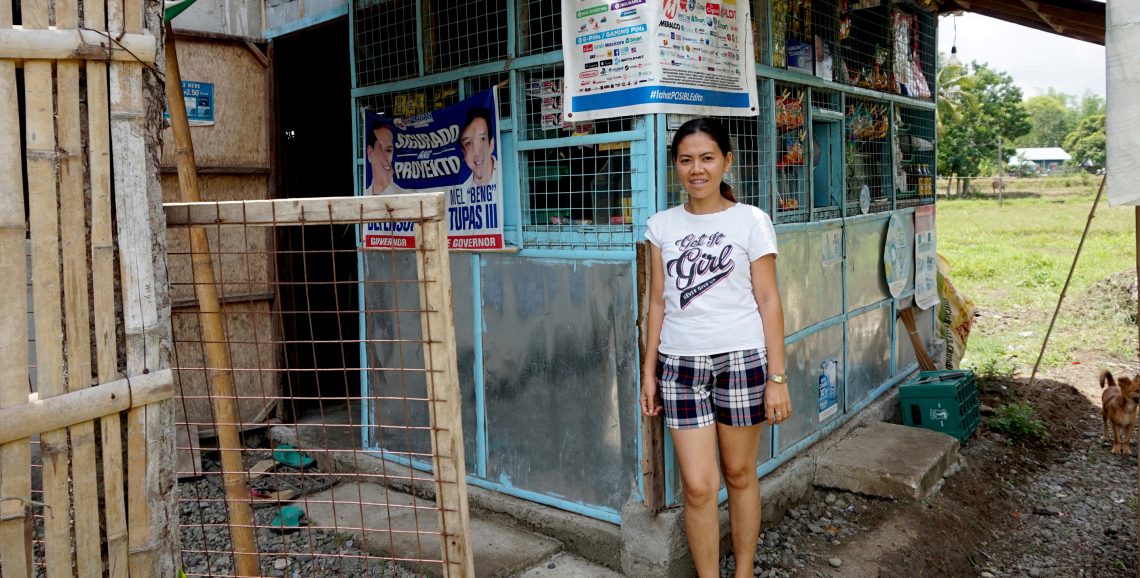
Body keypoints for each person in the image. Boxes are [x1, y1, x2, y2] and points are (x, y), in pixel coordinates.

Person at [640, 118, 790, 578]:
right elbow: (656, 302)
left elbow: (769, 299)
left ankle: (743, 572)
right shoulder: (661, 225)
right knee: (699, 488)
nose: (697, 169)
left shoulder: (751, 221)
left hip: (742, 360)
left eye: (707, 158)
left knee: (740, 475)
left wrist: (777, 379)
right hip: (680, 366)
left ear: (727, 161)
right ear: (675, 167)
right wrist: (649, 372)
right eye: (686, 160)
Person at [459, 107, 497, 187]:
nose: (476, 152)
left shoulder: (505, 174)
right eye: (468, 143)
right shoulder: (462, 187)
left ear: (491, 144)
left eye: (482, 139)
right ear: (463, 152)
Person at [364, 120, 405, 196]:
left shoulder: (403, 193)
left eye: (389, 150)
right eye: (381, 149)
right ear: (370, 153)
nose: (386, 158)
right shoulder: (366, 194)